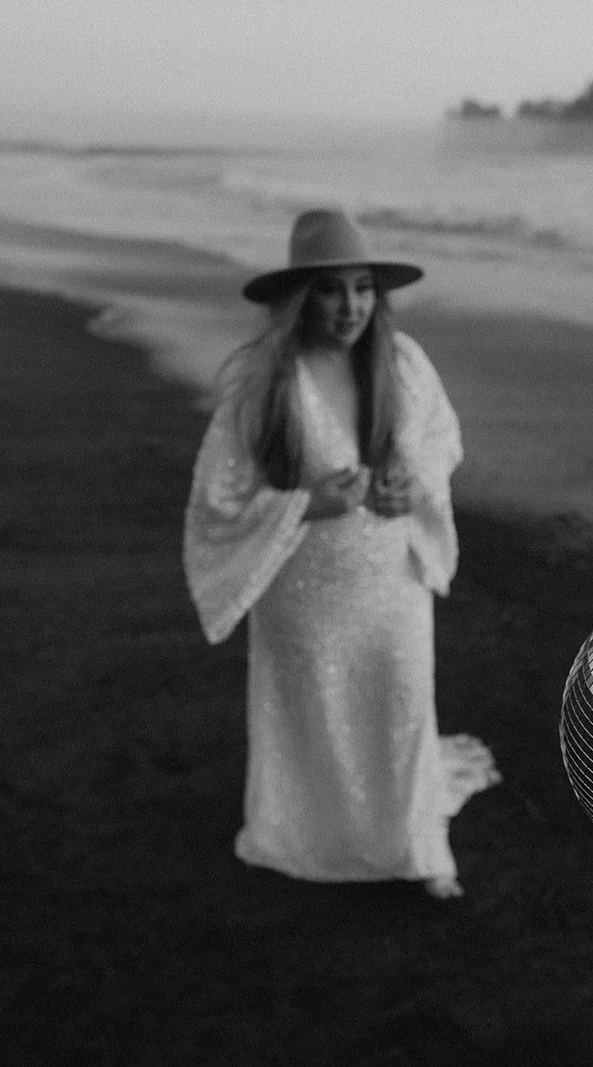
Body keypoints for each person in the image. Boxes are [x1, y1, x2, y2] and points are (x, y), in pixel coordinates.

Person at [184, 208, 498, 900]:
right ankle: (311, 832)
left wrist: (407, 485)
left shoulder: (403, 362)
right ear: (302, 296)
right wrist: (304, 503)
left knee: (402, 701)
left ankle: (420, 845)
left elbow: (442, 442)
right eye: (332, 289)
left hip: (390, 580)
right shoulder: (261, 384)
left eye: (362, 288)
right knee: (316, 713)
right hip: (303, 589)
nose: (351, 306)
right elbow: (219, 497)